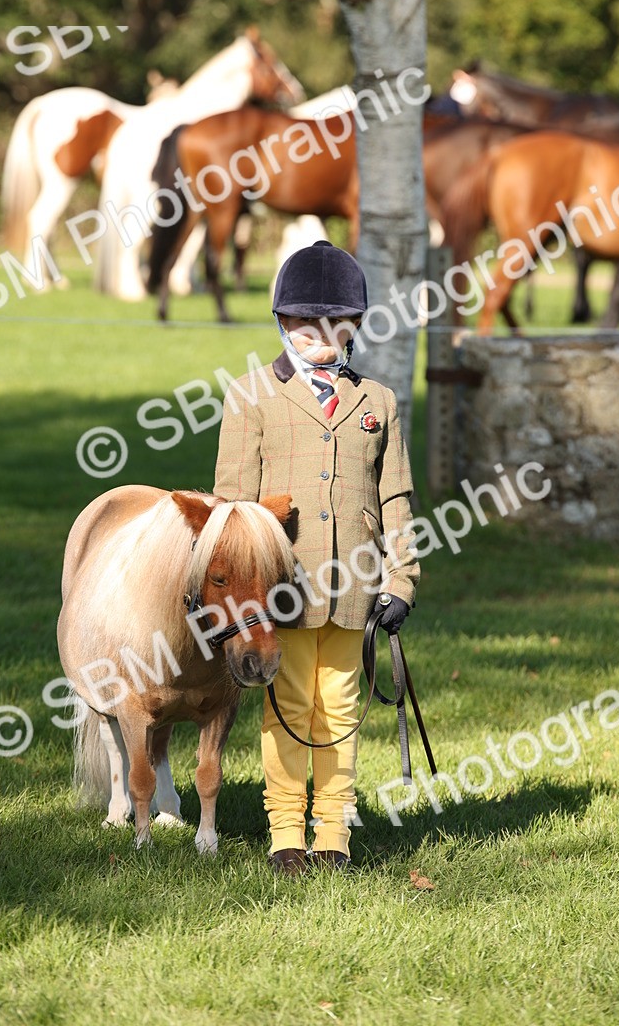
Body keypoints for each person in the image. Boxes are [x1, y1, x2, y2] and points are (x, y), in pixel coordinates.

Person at [213, 240, 420, 875]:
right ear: (282, 323)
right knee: (289, 704)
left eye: (336, 324)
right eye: (306, 324)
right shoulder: (250, 397)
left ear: (356, 325)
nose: (320, 336)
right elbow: (231, 506)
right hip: (285, 590)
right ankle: (284, 834)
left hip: (355, 587)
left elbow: (397, 499)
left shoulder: (378, 403)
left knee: (342, 705)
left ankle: (332, 832)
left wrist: (402, 578)